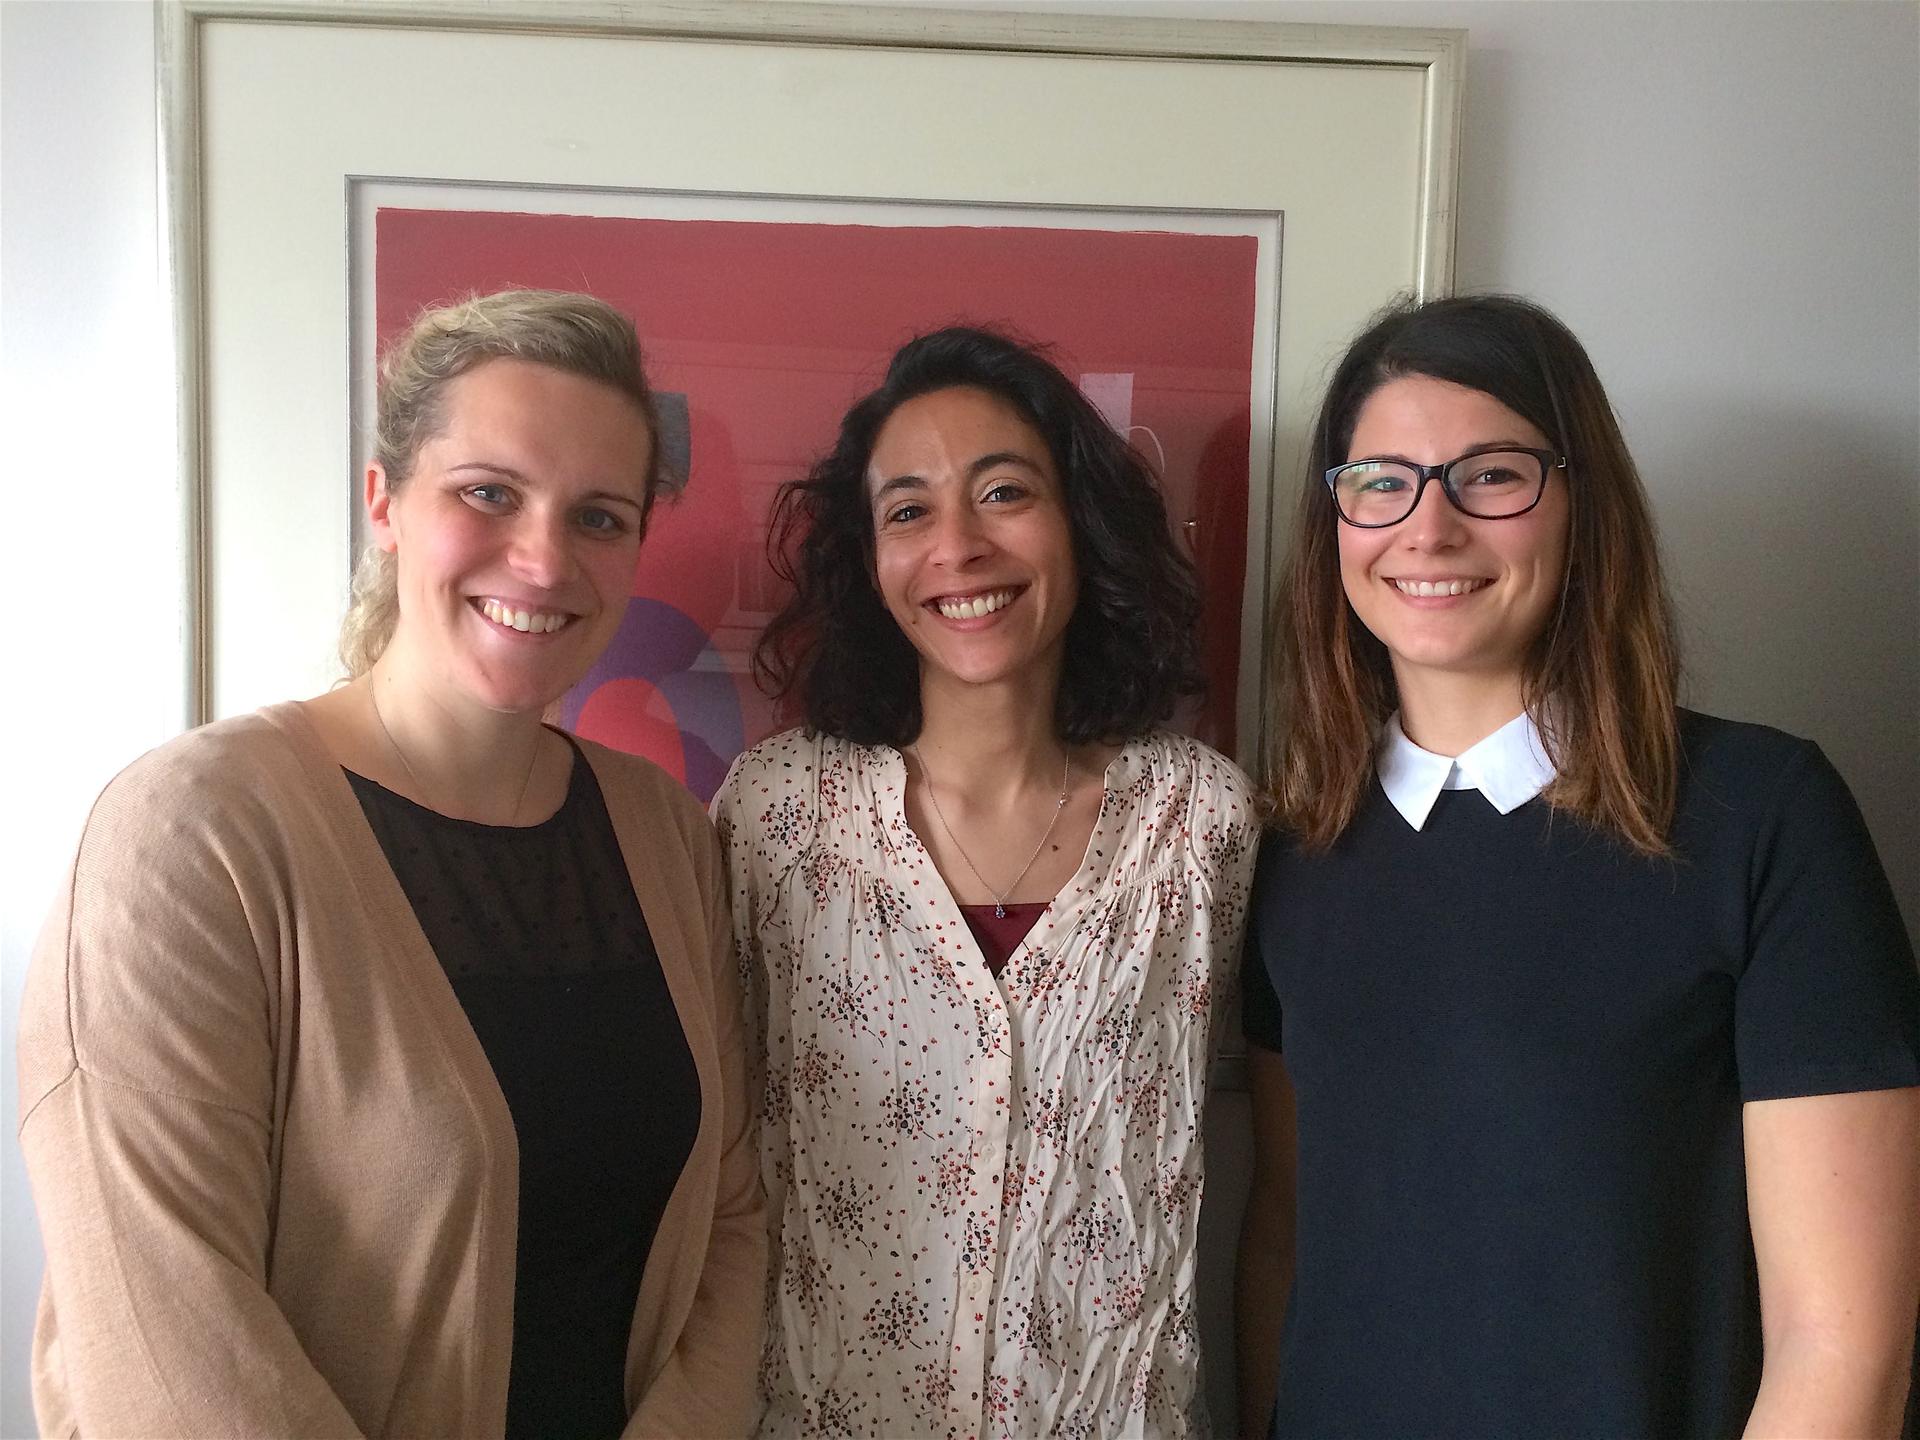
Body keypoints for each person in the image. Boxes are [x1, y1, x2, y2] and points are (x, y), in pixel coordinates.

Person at [18, 290, 764, 1438]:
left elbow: (732, 1219)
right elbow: (159, 1344)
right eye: (489, 494)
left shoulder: (666, 837)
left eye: (599, 516)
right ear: (385, 503)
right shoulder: (193, 837)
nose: (544, 558)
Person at [1234, 293, 1920, 1439]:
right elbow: (1285, 1242)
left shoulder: (1761, 816)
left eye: (1492, 475)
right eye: (1382, 481)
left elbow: (1844, 1348)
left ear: (1582, 505)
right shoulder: (1293, 850)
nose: (1429, 527)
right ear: (1335, 519)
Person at [713, 327, 1259, 1438]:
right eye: (908, 510)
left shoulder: (1198, 822)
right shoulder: (778, 815)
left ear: (1080, 522)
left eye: (1004, 492)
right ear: (870, 560)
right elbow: (713, 1169)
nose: (958, 546)